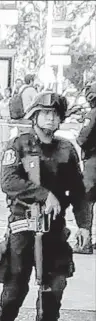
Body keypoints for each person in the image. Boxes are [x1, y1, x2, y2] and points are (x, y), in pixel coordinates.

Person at [0, 92, 92, 321]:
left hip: (54, 229)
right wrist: (43, 194)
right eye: (45, 113)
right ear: (35, 116)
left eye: (55, 114)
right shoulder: (19, 145)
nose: (50, 118)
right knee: (16, 288)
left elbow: (79, 191)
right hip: (23, 225)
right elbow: (8, 182)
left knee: (54, 287)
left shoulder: (65, 150)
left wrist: (84, 226)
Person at [74, 82, 96, 254]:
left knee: (85, 200)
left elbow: (83, 139)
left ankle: (84, 242)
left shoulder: (93, 114)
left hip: (93, 162)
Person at [0, 87, 12, 160]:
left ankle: (5, 154)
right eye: (5, 92)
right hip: (1, 120)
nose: (6, 93)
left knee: (5, 138)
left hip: (7, 120)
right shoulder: (1, 101)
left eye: (7, 92)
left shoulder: (11, 101)